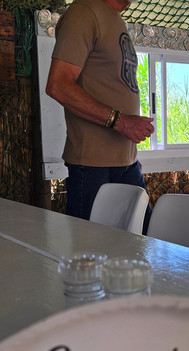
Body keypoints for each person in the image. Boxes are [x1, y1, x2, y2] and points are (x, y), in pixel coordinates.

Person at [46, 0, 154, 232]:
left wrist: (127, 154)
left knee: (145, 242)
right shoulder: (85, 12)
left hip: (126, 164)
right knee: (91, 249)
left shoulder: (114, 18)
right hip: (92, 166)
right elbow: (58, 85)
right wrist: (121, 122)